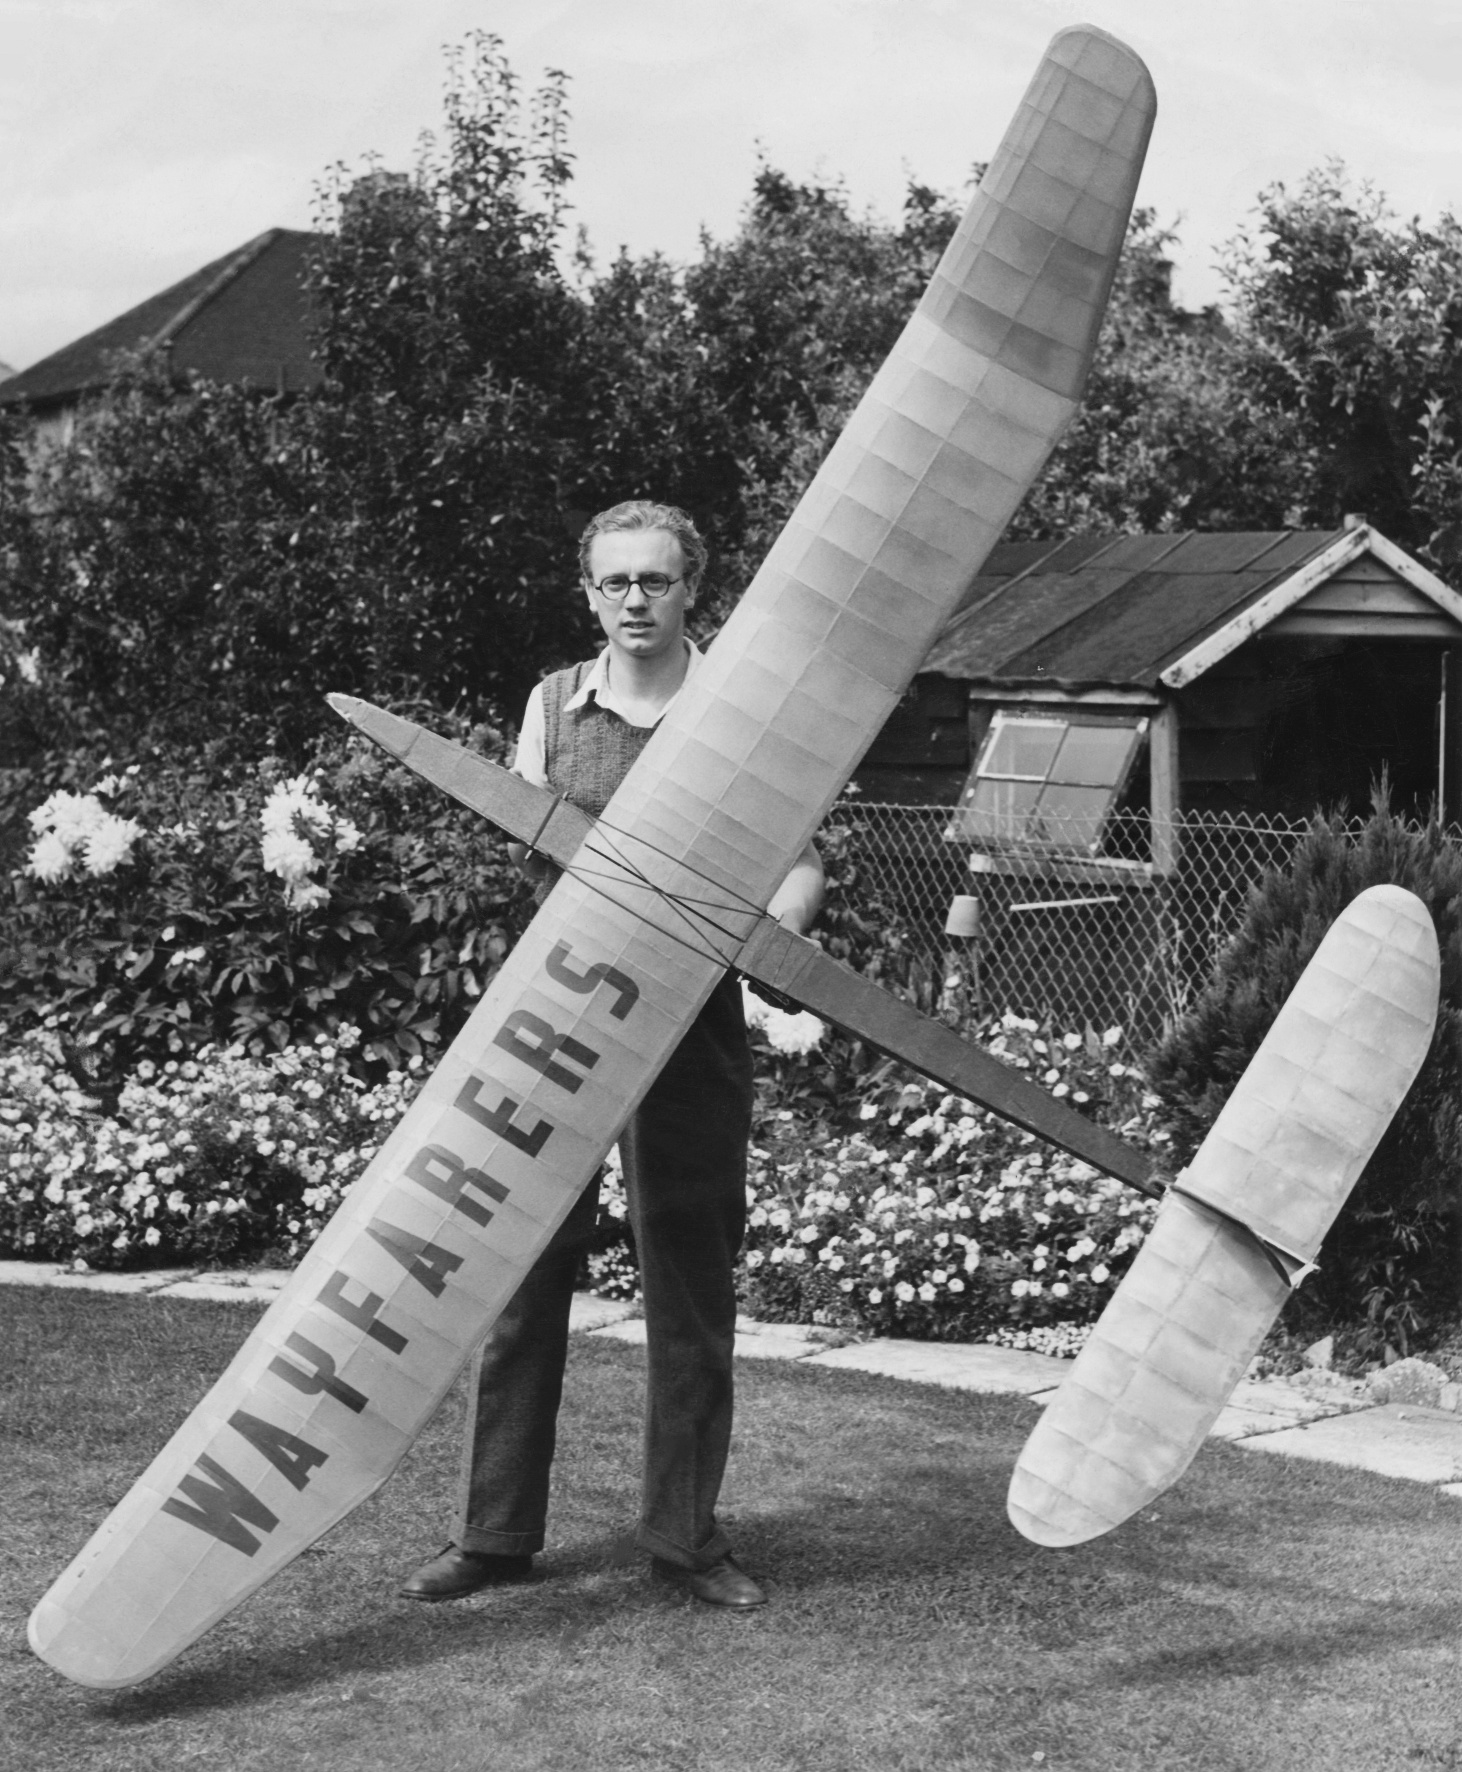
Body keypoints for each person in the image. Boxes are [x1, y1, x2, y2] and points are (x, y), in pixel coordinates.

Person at [400, 499, 824, 1610]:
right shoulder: (551, 707)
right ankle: (496, 1531)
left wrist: (782, 935)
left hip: (691, 1028)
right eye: (615, 582)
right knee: (524, 1272)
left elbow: (799, 862)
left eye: (656, 580)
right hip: (559, 1016)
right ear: (588, 593)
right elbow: (526, 839)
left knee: (689, 1277)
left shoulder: (741, 708)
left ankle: (685, 1537)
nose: (635, 600)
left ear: (693, 588)